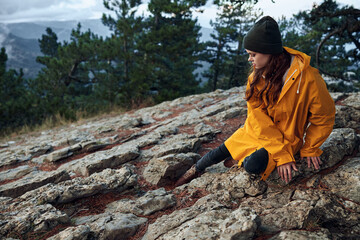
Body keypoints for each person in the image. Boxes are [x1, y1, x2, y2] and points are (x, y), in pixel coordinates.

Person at [175, 16, 335, 186]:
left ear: (269, 52)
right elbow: (258, 118)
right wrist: (281, 156)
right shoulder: (255, 77)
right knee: (215, 154)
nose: (249, 59)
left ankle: (240, 158)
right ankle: (190, 173)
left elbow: (324, 116)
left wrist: (309, 148)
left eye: (253, 54)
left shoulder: (308, 78)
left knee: (253, 166)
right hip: (257, 131)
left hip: (286, 140)